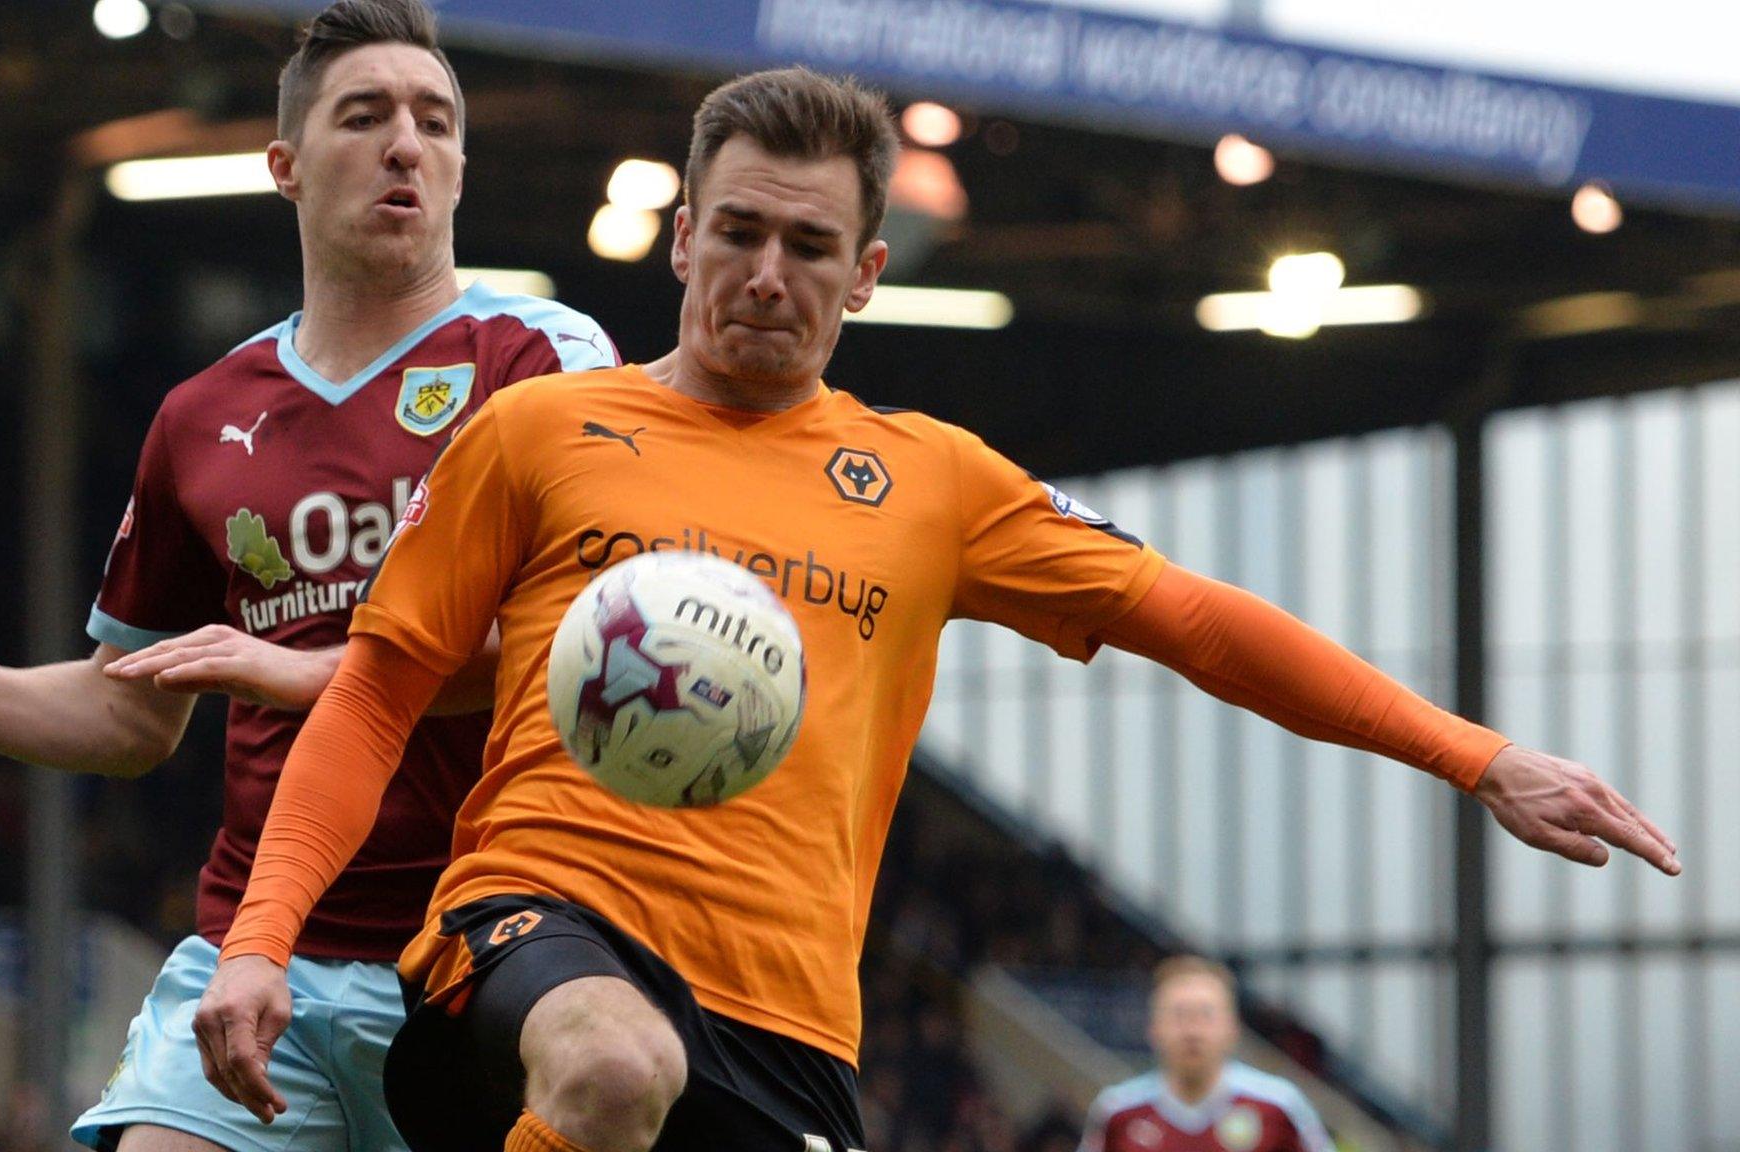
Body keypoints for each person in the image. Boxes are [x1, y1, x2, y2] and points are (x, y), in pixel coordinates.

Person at [193, 67, 1679, 1152]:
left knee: (637, 1085)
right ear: (683, 238)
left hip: (786, 1026)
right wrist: (262, 940)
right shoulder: (540, 434)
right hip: (528, 940)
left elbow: (1203, 624)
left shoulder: (932, 484)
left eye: (810, 247)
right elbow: (379, 693)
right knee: (609, 1071)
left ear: (869, 275)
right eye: (740, 234)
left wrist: (1476, 757)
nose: (767, 275)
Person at [0, 3, 617, 1151]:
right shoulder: (203, 416)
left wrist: (297, 670)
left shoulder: (543, 363)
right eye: (362, 117)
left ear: (461, 163)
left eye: (434, 121)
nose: (404, 145)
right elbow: (132, 711)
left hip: (492, 946)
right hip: (269, 954)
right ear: (285, 166)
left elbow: (572, 651)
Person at [1080, 957, 1331, 1152]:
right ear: (1153, 1029)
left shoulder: (1278, 1107)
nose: (1192, 1030)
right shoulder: (1117, 1113)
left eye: (1205, 1015)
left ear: (1232, 1028)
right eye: (1179, 1015)